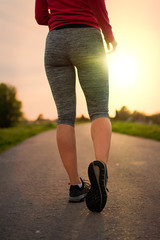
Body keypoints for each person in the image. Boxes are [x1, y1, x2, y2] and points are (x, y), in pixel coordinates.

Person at [35, 0, 117, 212]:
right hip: (87, 36)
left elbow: (40, 16)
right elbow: (97, 3)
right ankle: (101, 170)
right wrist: (108, 35)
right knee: (99, 109)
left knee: (65, 116)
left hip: (55, 40)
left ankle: (75, 186)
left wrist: (60, 19)